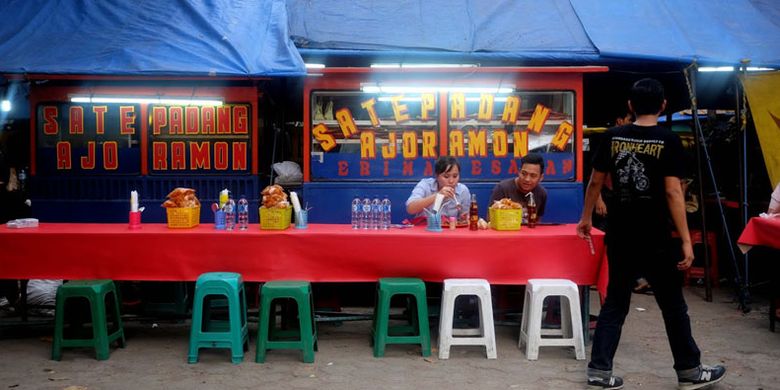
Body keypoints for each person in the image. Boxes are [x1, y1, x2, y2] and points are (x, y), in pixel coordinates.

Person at [576, 78, 725, 389]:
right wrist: (686, 239)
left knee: (615, 302)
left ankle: (599, 372)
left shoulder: (613, 137)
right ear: (663, 105)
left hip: (620, 233)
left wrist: (586, 218)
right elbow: (673, 193)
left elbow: (594, 182)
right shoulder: (668, 141)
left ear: (630, 106)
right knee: (672, 305)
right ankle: (689, 371)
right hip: (656, 235)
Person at [488, 152, 547, 225]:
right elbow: (491, 220)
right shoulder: (502, 188)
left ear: (541, 178)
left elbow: (536, 220)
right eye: (524, 173)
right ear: (519, 172)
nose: (527, 179)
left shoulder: (541, 193)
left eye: (533, 176)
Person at [406, 156, 470, 220]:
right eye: (446, 176)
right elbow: (410, 209)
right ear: (437, 176)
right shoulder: (425, 185)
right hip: (425, 226)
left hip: (449, 228)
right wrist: (437, 195)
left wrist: (465, 217)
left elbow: (465, 216)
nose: (451, 181)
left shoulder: (462, 191)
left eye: (455, 176)